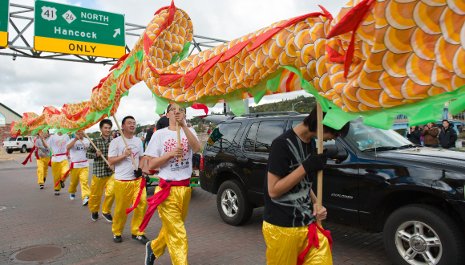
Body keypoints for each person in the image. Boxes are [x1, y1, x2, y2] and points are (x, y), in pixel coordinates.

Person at [263, 109, 350, 265]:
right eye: (335, 135)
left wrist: (316, 203)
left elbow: (302, 183)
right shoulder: (281, 144)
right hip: (281, 227)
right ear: (323, 126)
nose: (332, 139)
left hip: (307, 223)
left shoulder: (311, 143)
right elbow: (273, 190)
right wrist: (306, 167)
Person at [143, 103, 201, 265]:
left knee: (173, 228)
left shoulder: (190, 131)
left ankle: (153, 247)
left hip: (185, 189)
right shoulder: (159, 135)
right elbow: (151, 165)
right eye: (173, 110)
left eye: (181, 110)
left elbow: (196, 148)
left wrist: (184, 126)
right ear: (166, 115)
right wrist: (170, 154)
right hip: (166, 191)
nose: (177, 112)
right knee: (178, 234)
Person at [108, 116, 148, 244]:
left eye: (134, 123)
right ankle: (117, 231)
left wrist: (141, 169)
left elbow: (141, 157)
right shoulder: (116, 142)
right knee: (121, 208)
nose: (132, 125)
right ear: (123, 126)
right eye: (129, 123)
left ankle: (137, 232)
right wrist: (123, 155)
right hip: (122, 181)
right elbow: (111, 161)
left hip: (137, 180)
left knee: (141, 204)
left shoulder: (138, 141)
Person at [86, 119, 115, 222]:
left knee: (112, 192)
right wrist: (95, 154)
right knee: (95, 195)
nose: (107, 130)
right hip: (99, 173)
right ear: (101, 129)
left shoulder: (114, 141)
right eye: (105, 128)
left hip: (111, 172)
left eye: (109, 128)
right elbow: (87, 154)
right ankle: (94, 210)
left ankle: (106, 211)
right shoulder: (95, 141)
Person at [66, 130, 91, 206]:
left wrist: (89, 147)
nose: (80, 134)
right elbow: (67, 147)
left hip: (84, 164)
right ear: (75, 133)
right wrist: (75, 140)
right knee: (74, 182)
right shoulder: (71, 141)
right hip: (75, 165)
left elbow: (90, 149)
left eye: (81, 132)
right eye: (78, 133)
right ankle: (72, 191)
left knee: (84, 181)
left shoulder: (87, 141)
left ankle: (86, 197)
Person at [47, 131, 70, 196]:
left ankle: (62, 180)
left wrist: (69, 153)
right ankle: (57, 188)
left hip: (64, 157)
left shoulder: (66, 136)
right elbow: (47, 145)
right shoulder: (52, 137)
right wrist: (42, 139)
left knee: (66, 172)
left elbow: (68, 146)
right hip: (55, 158)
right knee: (56, 175)